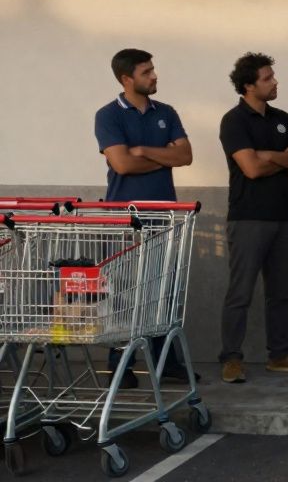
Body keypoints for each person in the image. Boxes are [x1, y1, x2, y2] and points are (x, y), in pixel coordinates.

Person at [93, 48, 194, 388]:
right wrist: (165, 157)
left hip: (164, 213)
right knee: (123, 293)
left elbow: (186, 155)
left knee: (162, 290)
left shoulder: (165, 112)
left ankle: (167, 363)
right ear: (127, 79)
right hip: (124, 217)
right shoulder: (108, 116)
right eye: (147, 72)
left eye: (153, 69)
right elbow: (121, 164)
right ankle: (121, 366)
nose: (154, 76)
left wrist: (145, 151)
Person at [217, 53, 288, 383]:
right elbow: (251, 169)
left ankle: (279, 354)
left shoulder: (282, 118)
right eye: (267, 78)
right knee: (240, 292)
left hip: (282, 216)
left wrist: (269, 155)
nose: (275, 82)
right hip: (248, 217)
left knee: (280, 292)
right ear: (249, 86)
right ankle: (231, 358)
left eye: (273, 76)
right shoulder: (234, 121)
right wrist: (278, 158)